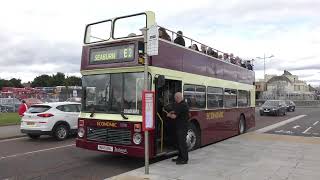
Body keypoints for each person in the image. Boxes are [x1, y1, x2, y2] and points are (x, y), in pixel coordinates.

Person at [166, 92, 189, 165]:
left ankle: (184, 159)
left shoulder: (182, 105)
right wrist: (172, 111)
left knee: (182, 144)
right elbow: (176, 111)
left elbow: (174, 116)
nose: (175, 99)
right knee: (179, 143)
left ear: (177, 98)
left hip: (182, 128)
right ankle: (180, 157)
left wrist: (169, 115)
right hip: (180, 127)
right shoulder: (182, 104)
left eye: (175, 98)